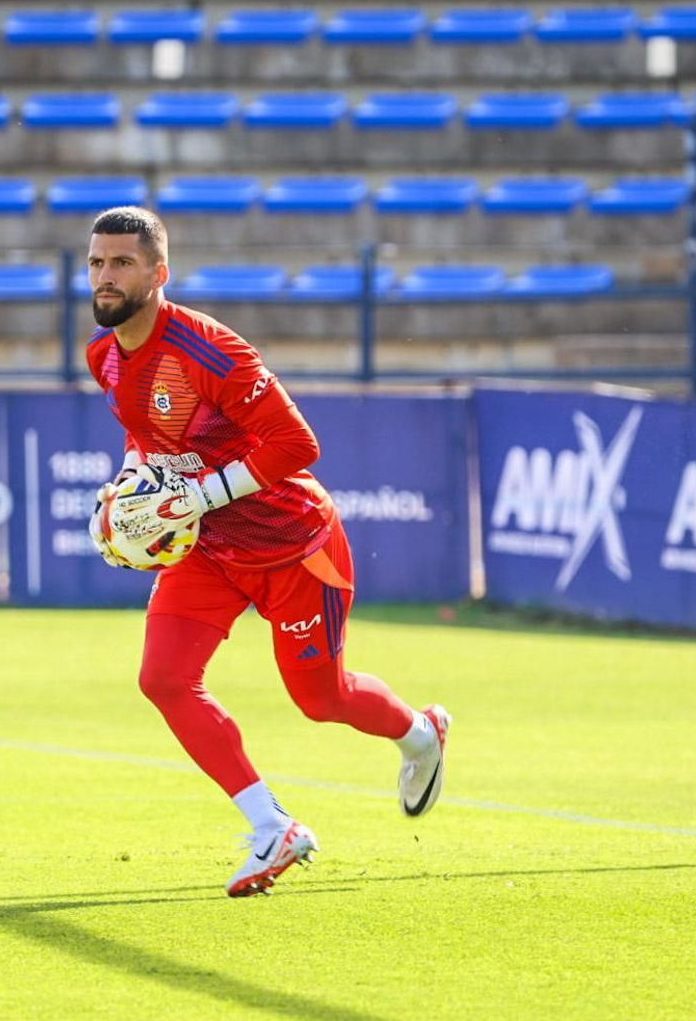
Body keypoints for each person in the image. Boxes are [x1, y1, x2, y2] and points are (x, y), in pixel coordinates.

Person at [82, 207, 450, 897]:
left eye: (122, 263)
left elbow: (296, 444)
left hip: (294, 544)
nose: (106, 277)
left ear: (159, 274)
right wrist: (135, 490)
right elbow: (145, 433)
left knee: (321, 697)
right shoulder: (101, 354)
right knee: (163, 677)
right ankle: (271, 826)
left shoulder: (208, 351)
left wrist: (196, 495)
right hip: (211, 550)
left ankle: (421, 731)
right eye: (97, 262)